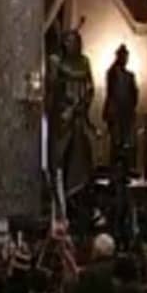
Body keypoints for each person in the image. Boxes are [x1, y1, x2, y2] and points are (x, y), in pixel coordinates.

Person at [47, 26, 95, 195]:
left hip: (79, 113)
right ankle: (60, 191)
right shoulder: (57, 61)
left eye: (73, 41)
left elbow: (89, 87)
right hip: (62, 114)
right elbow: (54, 87)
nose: (70, 44)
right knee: (61, 153)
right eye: (67, 41)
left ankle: (79, 187)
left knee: (81, 151)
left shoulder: (84, 61)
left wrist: (82, 104)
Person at [103, 44, 139, 166]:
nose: (125, 59)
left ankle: (125, 167)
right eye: (123, 57)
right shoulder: (112, 73)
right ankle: (115, 168)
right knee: (116, 141)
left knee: (126, 141)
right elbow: (111, 92)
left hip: (126, 112)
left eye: (126, 57)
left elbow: (134, 94)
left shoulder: (130, 76)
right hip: (116, 112)